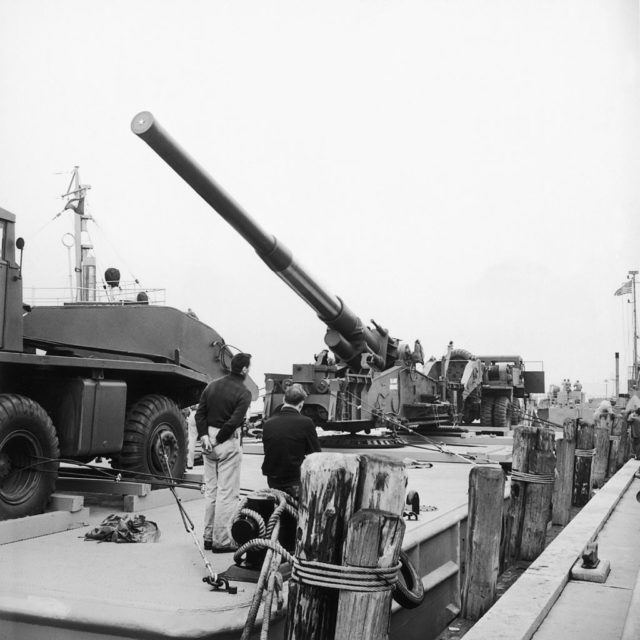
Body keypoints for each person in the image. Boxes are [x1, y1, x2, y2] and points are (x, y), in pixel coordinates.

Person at [195, 352, 252, 552]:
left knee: (211, 490)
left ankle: (208, 537)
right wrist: (218, 440)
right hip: (226, 441)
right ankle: (222, 541)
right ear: (244, 369)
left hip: (207, 439)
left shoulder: (212, 385)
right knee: (227, 493)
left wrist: (205, 438)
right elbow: (234, 421)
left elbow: (200, 413)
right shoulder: (244, 393)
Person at [261, 383, 321, 498]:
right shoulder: (306, 423)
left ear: (284, 399)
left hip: (273, 479)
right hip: (294, 479)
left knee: (279, 508)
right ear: (301, 404)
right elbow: (315, 455)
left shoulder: (268, 424)